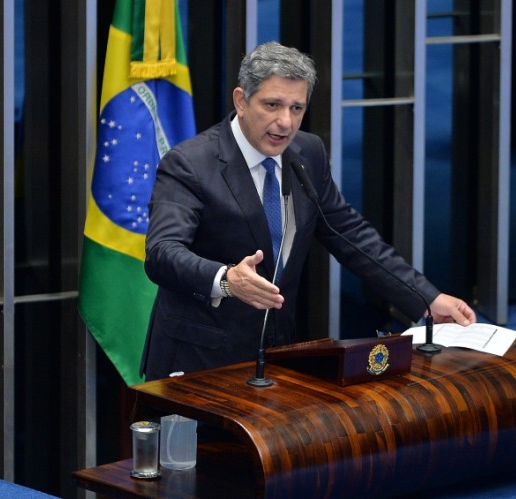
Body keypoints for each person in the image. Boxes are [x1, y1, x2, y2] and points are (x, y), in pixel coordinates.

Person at [140, 41, 476, 381]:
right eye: (272, 105)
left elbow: (352, 236)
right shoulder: (190, 163)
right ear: (241, 100)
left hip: (275, 356)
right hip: (199, 359)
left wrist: (425, 298)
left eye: (297, 108)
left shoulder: (307, 153)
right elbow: (162, 254)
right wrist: (226, 280)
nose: (285, 122)